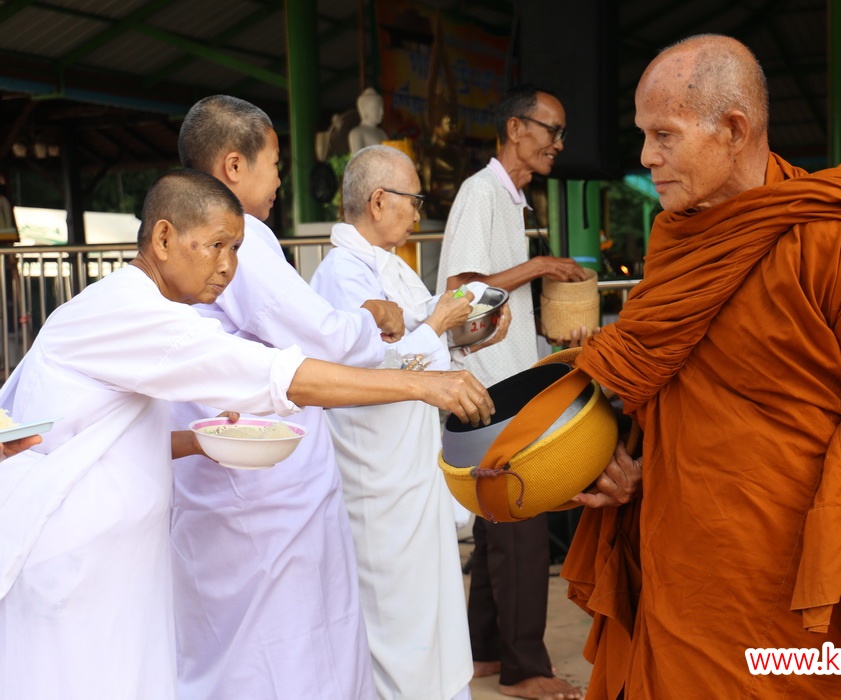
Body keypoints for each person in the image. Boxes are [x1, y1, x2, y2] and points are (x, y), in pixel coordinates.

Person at [0, 169, 493, 700]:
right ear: (163, 238)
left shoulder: (143, 309)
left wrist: (198, 441)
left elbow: (100, 435)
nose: (228, 266)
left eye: (236, 249)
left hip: (116, 568)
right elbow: (279, 376)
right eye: (216, 245)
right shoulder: (130, 311)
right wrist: (421, 384)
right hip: (73, 565)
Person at [561, 35, 841, 698]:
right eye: (644, 135)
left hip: (790, 576)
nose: (646, 156)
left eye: (664, 135)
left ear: (734, 130)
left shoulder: (837, 239)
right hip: (678, 559)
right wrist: (617, 453)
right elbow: (657, 376)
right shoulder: (678, 234)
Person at [169, 95, 401, 700]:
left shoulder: (196, 238)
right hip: (262, 482)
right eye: (274, 163)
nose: (279, 180)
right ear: (234, 166)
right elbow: (320, 338)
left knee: (238, 644)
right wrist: (370, 321)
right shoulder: (240, 238)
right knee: (290, 644)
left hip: (228, 473)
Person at [310, 144, 510, 699]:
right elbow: (370, 369)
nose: (419, 213)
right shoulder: (341, 277)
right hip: (377, 480)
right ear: (378, 201)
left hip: (413, 467)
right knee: (396, 623)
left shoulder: (392, 267)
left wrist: (469, 332)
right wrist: (440, 321)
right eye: (414, 200)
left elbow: (424, 344)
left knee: (434, 612)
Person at [436, 85, 588, 700]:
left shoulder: (509, 198)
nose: (558, 143)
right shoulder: (482, 192)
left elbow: (496, 303)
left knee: (498, 522)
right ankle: (526, 669)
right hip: (491, 386)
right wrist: (541, 267)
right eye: (551, 130)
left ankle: (486, 652)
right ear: (516, 128)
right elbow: (463, 290)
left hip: (505, 378)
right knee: (520, 517)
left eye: (561, 133)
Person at [350, 88, 389, 153]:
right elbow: (358, 158)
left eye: (382, 108)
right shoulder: (356, 133)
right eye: (377, 108)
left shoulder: (382, 133)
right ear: (365, 110)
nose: (382, 112)